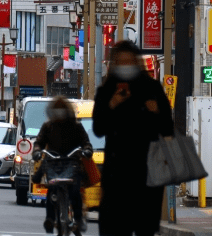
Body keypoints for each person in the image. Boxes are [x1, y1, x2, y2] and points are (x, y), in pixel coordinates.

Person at [93, 41, 174, 236]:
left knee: (144, 228)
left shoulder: (152, 88)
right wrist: (112, 103)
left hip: (147, 175)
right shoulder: (107, 90)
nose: (125, 66)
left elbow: (168, 129)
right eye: (121, 62)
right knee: (114, 228)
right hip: (117, 176)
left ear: (137, 63)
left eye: (129, 62)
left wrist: (156, 112)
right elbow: (98, 128)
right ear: (114, 64)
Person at [32, 96, 93, 234]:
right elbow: (39, 142)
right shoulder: (48, 126)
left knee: (74, 190)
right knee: (52, 189)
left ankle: (78, 218)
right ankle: (49, 218)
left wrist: (87, 150)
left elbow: (85, 142)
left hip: (72, 163)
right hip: (53, 163)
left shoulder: (76, 126)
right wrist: (37, 151)